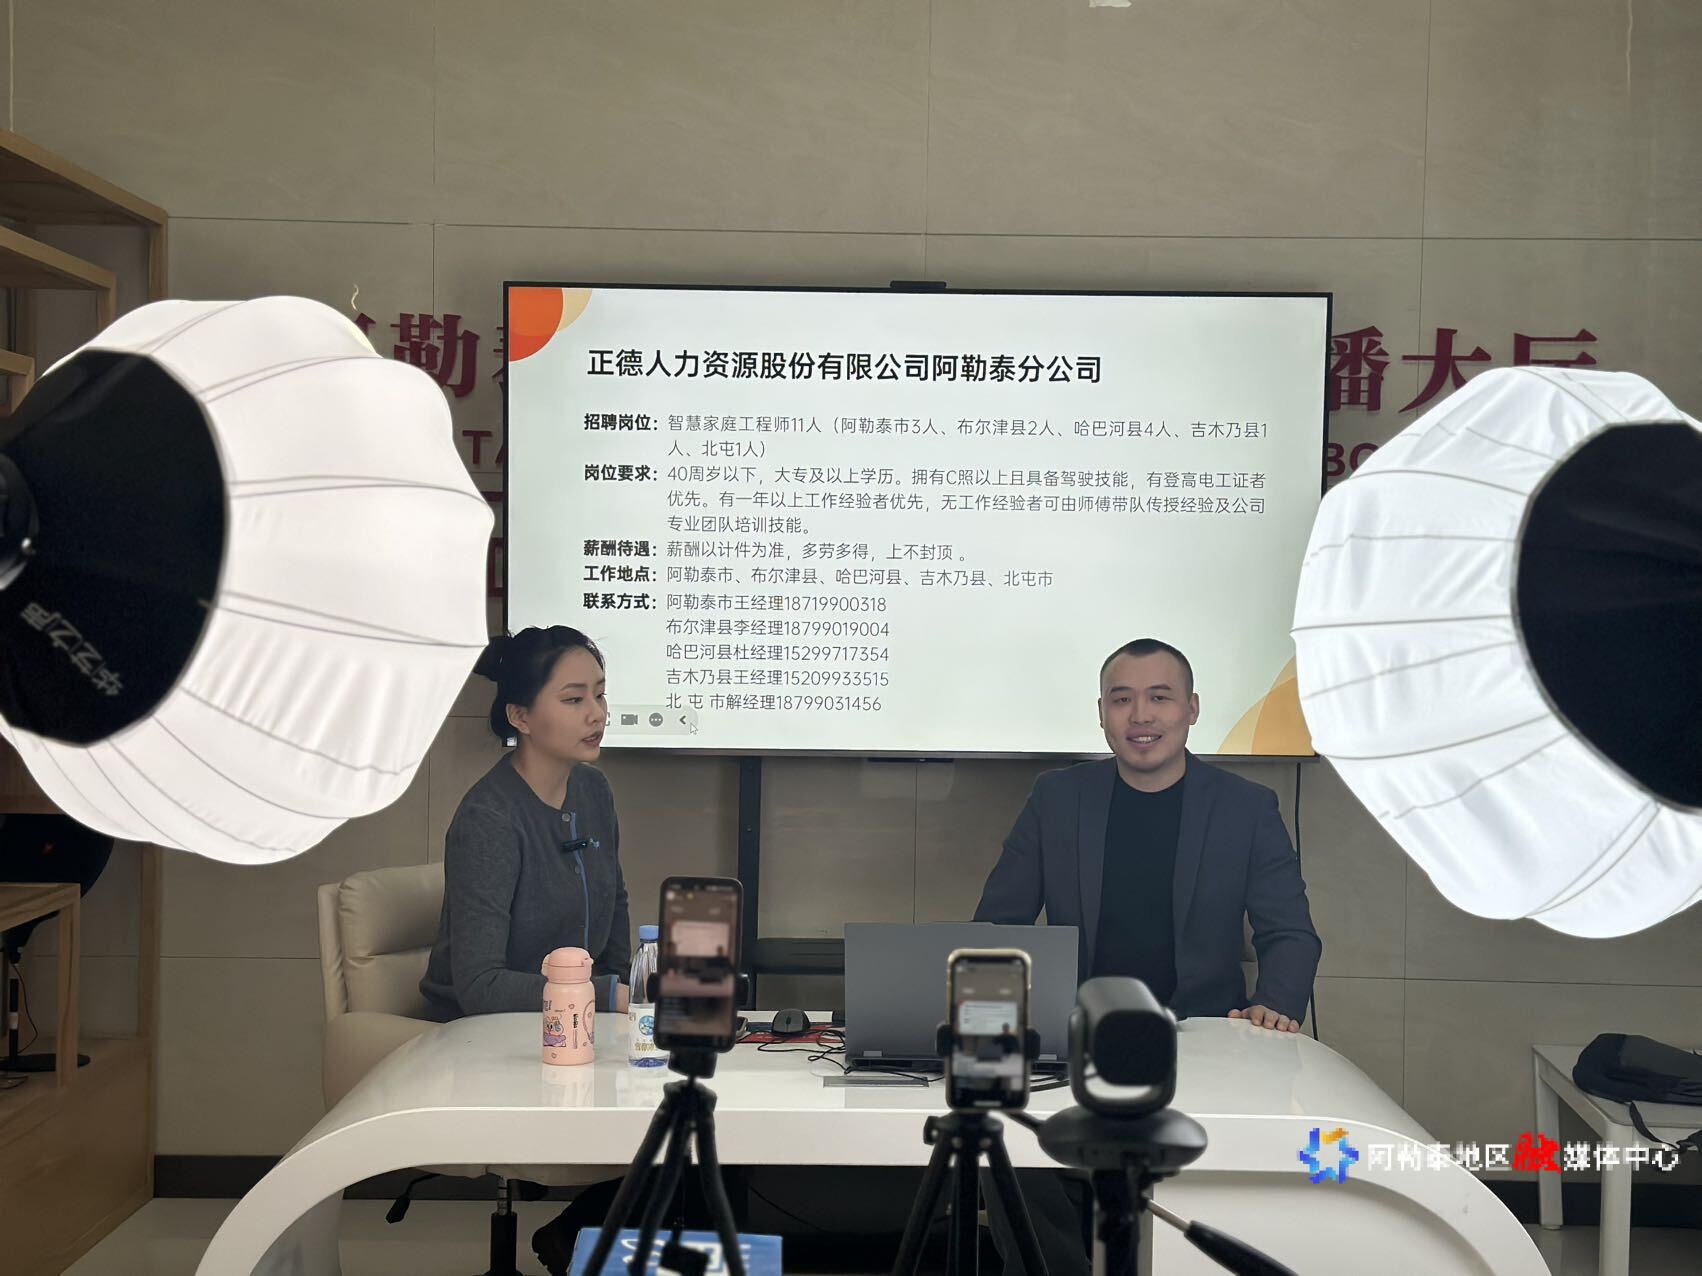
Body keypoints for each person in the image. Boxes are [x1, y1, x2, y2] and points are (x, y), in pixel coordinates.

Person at [973, 637, 1323, 1275]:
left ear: (1192, 709)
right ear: (1101, 713)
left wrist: (1274, 1003)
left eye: (1160, 698)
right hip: (1074, 1040)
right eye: (1122, 700)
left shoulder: (1246, 807)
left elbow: (1291, 932)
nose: (1141, 716)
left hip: (1205, 1039)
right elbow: (999, 926)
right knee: (1005, 1141)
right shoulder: (1058, 797)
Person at [420, 625, 631, 1021]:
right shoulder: (488, 819)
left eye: (600, 695)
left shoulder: (594, 790)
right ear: (520, 716)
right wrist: (606, 996)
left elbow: (615, 905)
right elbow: (480, 987)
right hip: (480, 1031)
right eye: (573, 699)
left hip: (577, 1018)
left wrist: (629, 999)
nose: (597, 714)